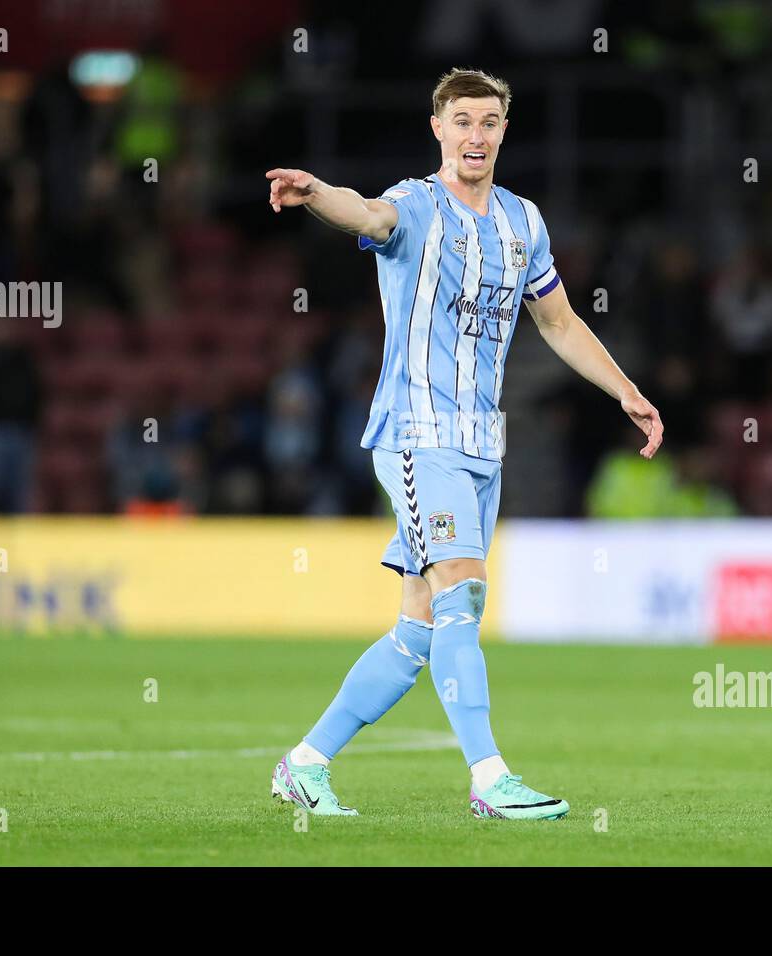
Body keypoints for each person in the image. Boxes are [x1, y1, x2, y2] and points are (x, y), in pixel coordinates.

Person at [264, 68, 663, 820]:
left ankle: (305, 762)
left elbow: (560, 323)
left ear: (504, 130)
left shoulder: (523, 221)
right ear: (438, 129)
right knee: (466, 597)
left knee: (418, 630)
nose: (475, 136)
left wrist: (625, 391)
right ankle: (489, 779)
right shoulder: (415, 205)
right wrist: (318, 194)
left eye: (489, 122)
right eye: (462, 122)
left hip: (484, 446)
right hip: (418, 435)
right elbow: (368, 215)